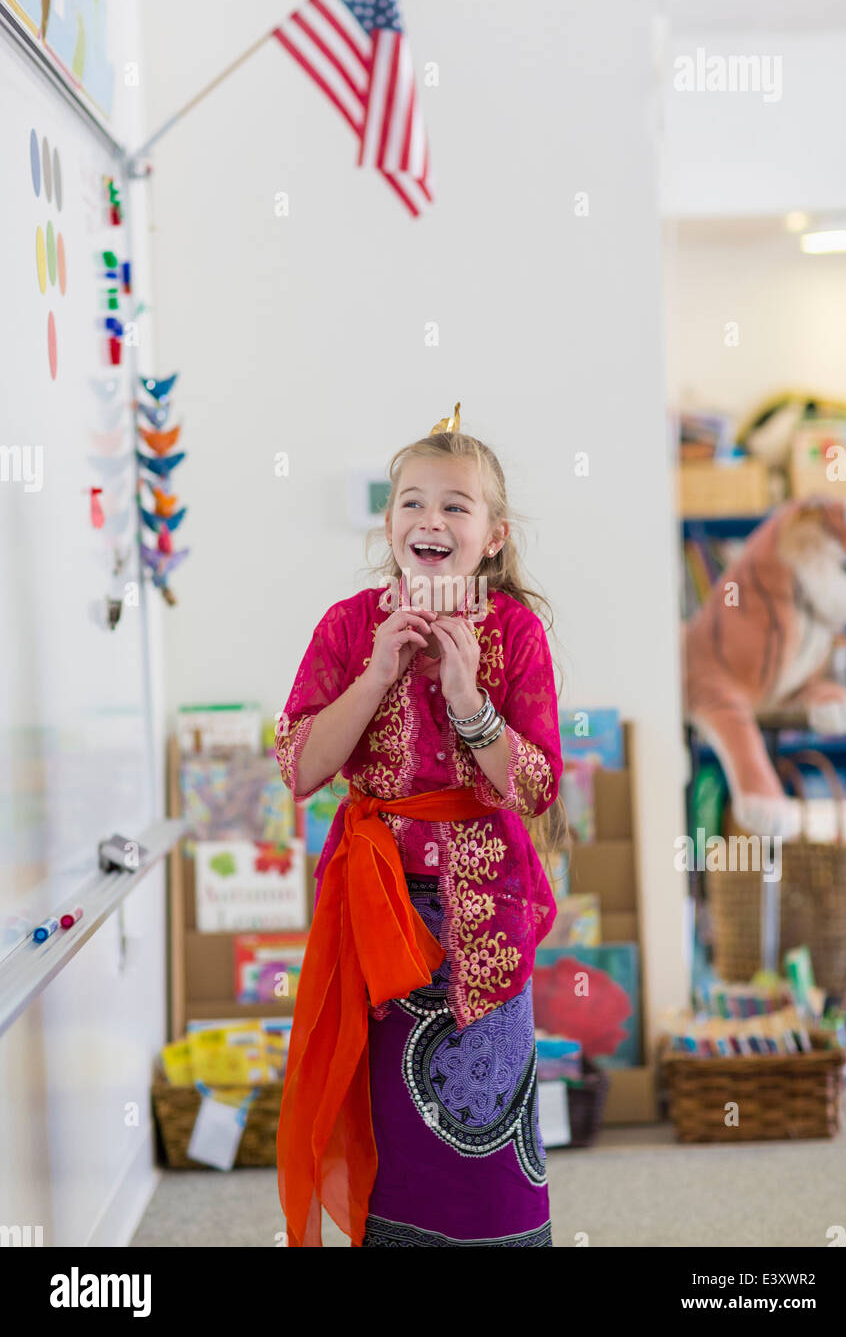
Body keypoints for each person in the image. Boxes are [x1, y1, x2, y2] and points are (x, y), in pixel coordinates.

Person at [275, 407, 567, 1247]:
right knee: (383, 1133)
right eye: (411, 502)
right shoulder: (347, 625)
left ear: (493, 536)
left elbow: (536, 786)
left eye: (455, 506)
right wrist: (375, 675)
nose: (429, 519)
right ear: (390, 521)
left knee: (484, 1130)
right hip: (372, 909)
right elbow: (300, 769)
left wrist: (471, 700)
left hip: (483, 912)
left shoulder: (514, 632)